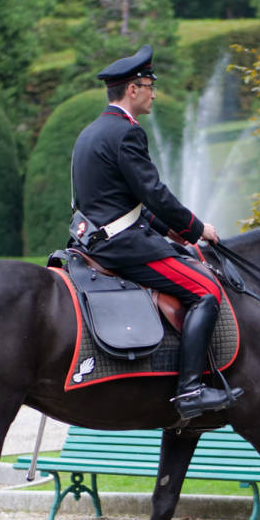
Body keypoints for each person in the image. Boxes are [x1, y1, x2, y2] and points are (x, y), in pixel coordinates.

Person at [70, 44, 242, 420]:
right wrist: (196, 229)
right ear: (132, 89)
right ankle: (190, 390)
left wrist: (172, 231)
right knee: (207, 291)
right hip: (123, 247)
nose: (154, 93)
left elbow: (127, 204)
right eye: (149, 85)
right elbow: (155, 193)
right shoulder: (128, 134)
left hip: (91, 242)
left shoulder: (92, 132)